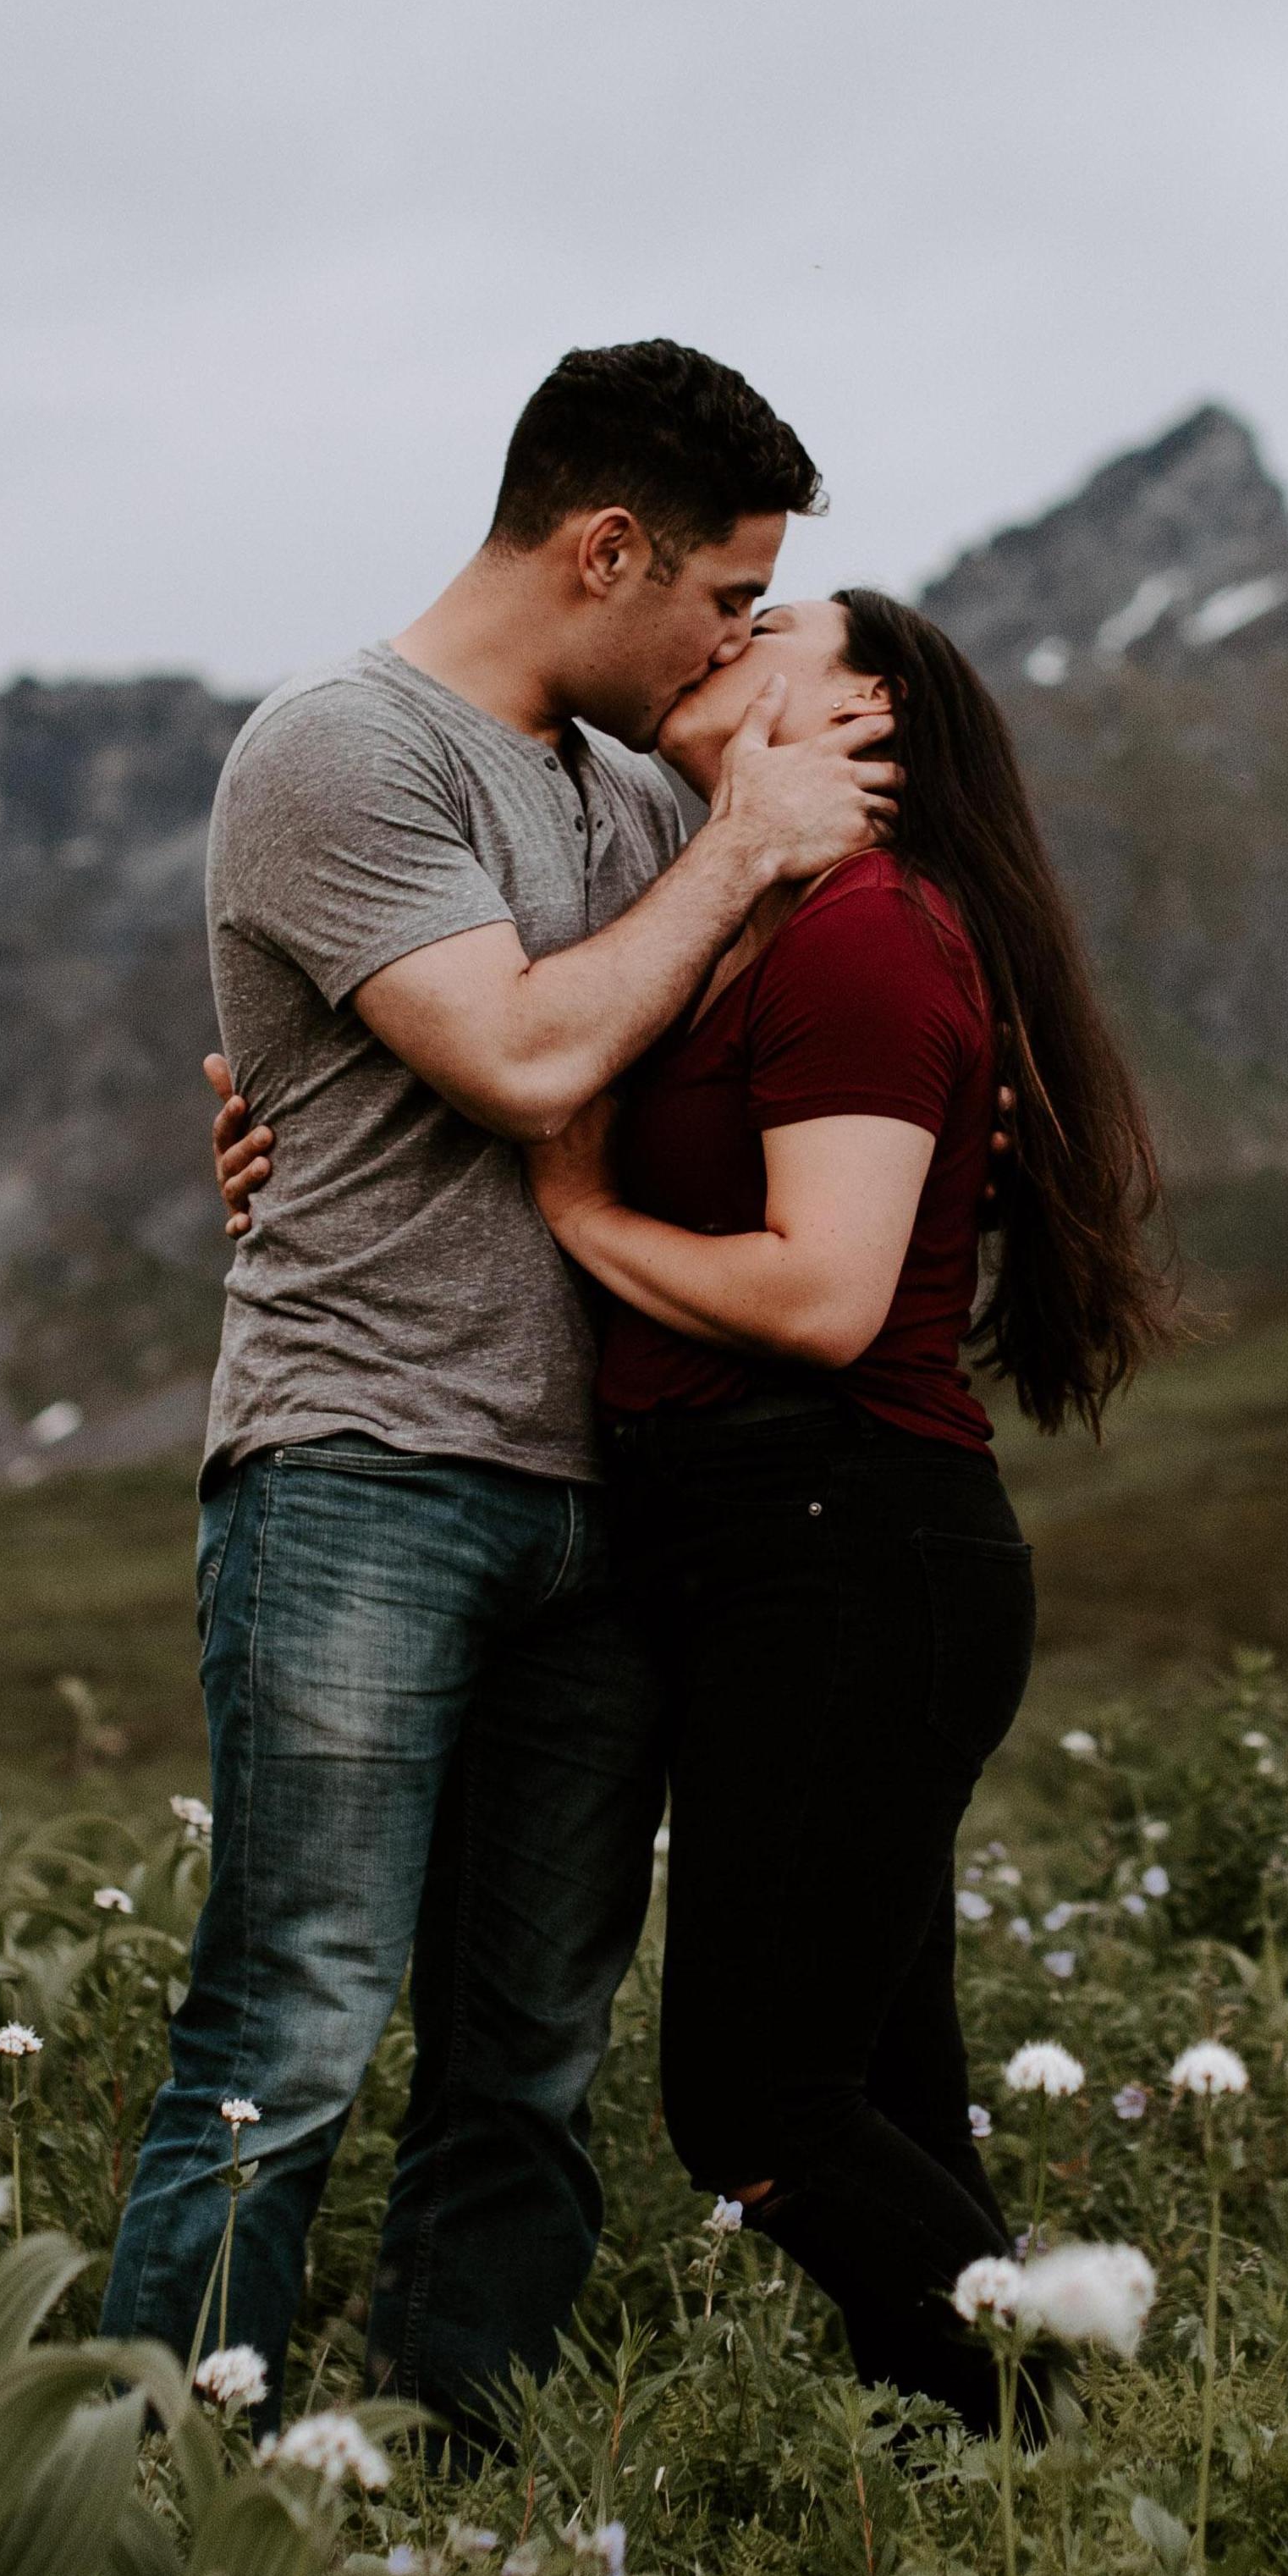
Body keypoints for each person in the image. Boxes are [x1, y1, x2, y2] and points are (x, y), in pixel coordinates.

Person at [98, 340, 894, 2435]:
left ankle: (451, 2478)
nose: (734, 640)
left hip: (608, 1497)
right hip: (365, 1463)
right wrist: (738, 849)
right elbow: (529, 1057)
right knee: (295, 2012)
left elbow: (719, 1062)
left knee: (530, 2043)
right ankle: (156, 2497)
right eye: (724, 597)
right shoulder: (339, 749)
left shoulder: (630, 794)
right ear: (604, 545)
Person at [532, 586, 1170, 2424]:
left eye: (773, 624)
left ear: (871, 712)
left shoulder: (870, 936)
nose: (722, 635)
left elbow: (820, 1293)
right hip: (792, 1555)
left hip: (845, 1550)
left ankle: (1063, 2415)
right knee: (878, 2082)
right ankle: (1005, 2503)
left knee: (751, 2102)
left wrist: (585, 1215)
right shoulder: (753, 916)